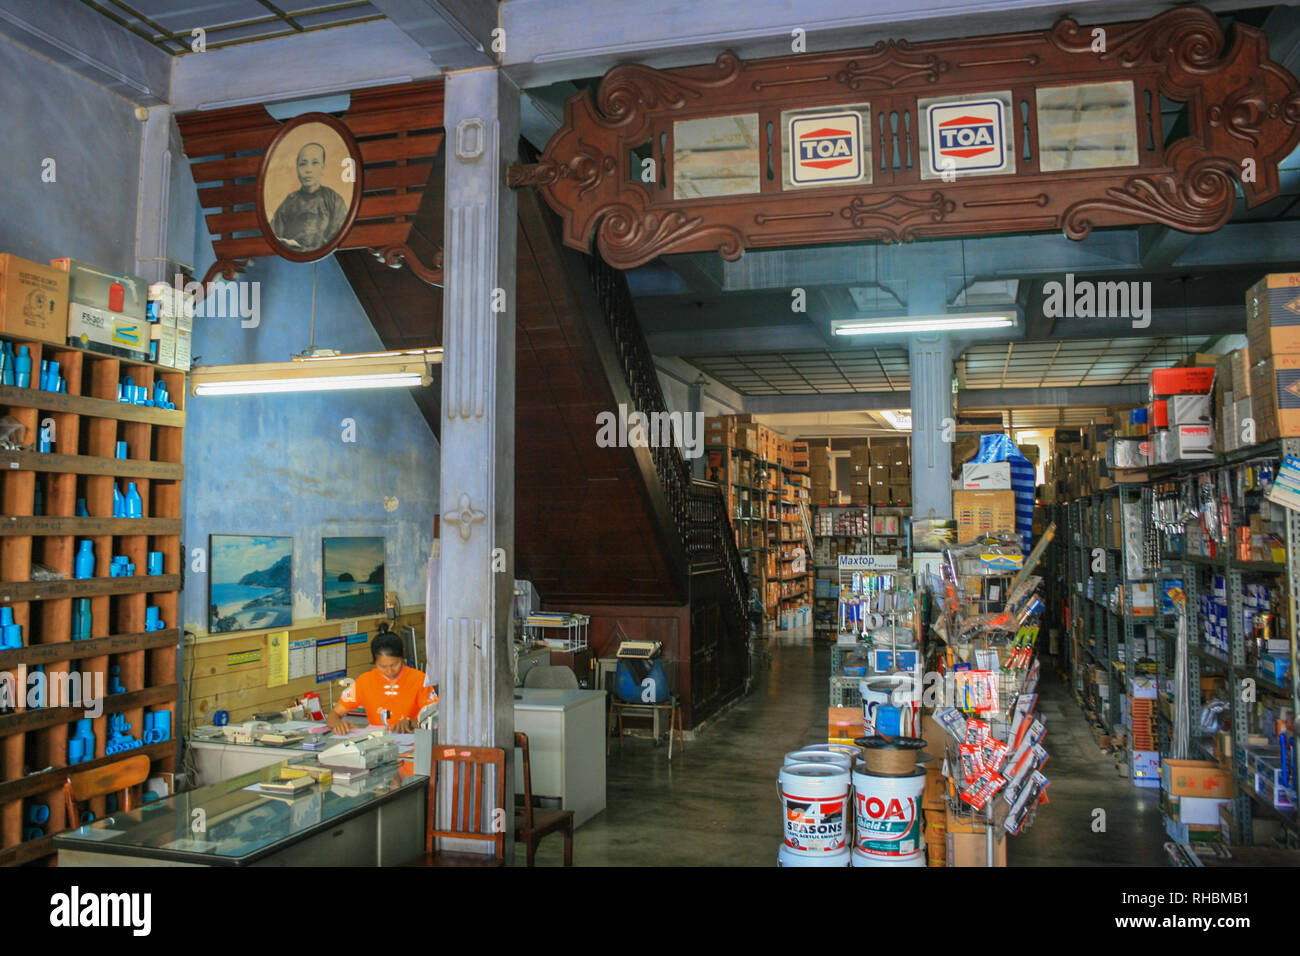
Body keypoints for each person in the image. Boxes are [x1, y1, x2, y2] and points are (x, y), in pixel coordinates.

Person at [327, 630, 436, 734]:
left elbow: (436, 719)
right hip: (378, 743)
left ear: (403, 655)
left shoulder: (420, 680)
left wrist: (411, 723)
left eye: (394, 664)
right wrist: (337, 724)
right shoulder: (365, 681)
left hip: (414, 742)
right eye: (383, 666)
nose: (389, 671)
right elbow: (334, 713)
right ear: (375, 662)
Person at [270, 141, 348, 251]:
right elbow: (275, 235)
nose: (308, 170)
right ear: (297, 168)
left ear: (323, 167)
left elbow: (338, 234)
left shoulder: (333, 199)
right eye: (303, 164)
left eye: (315, 163)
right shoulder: (289, 202)